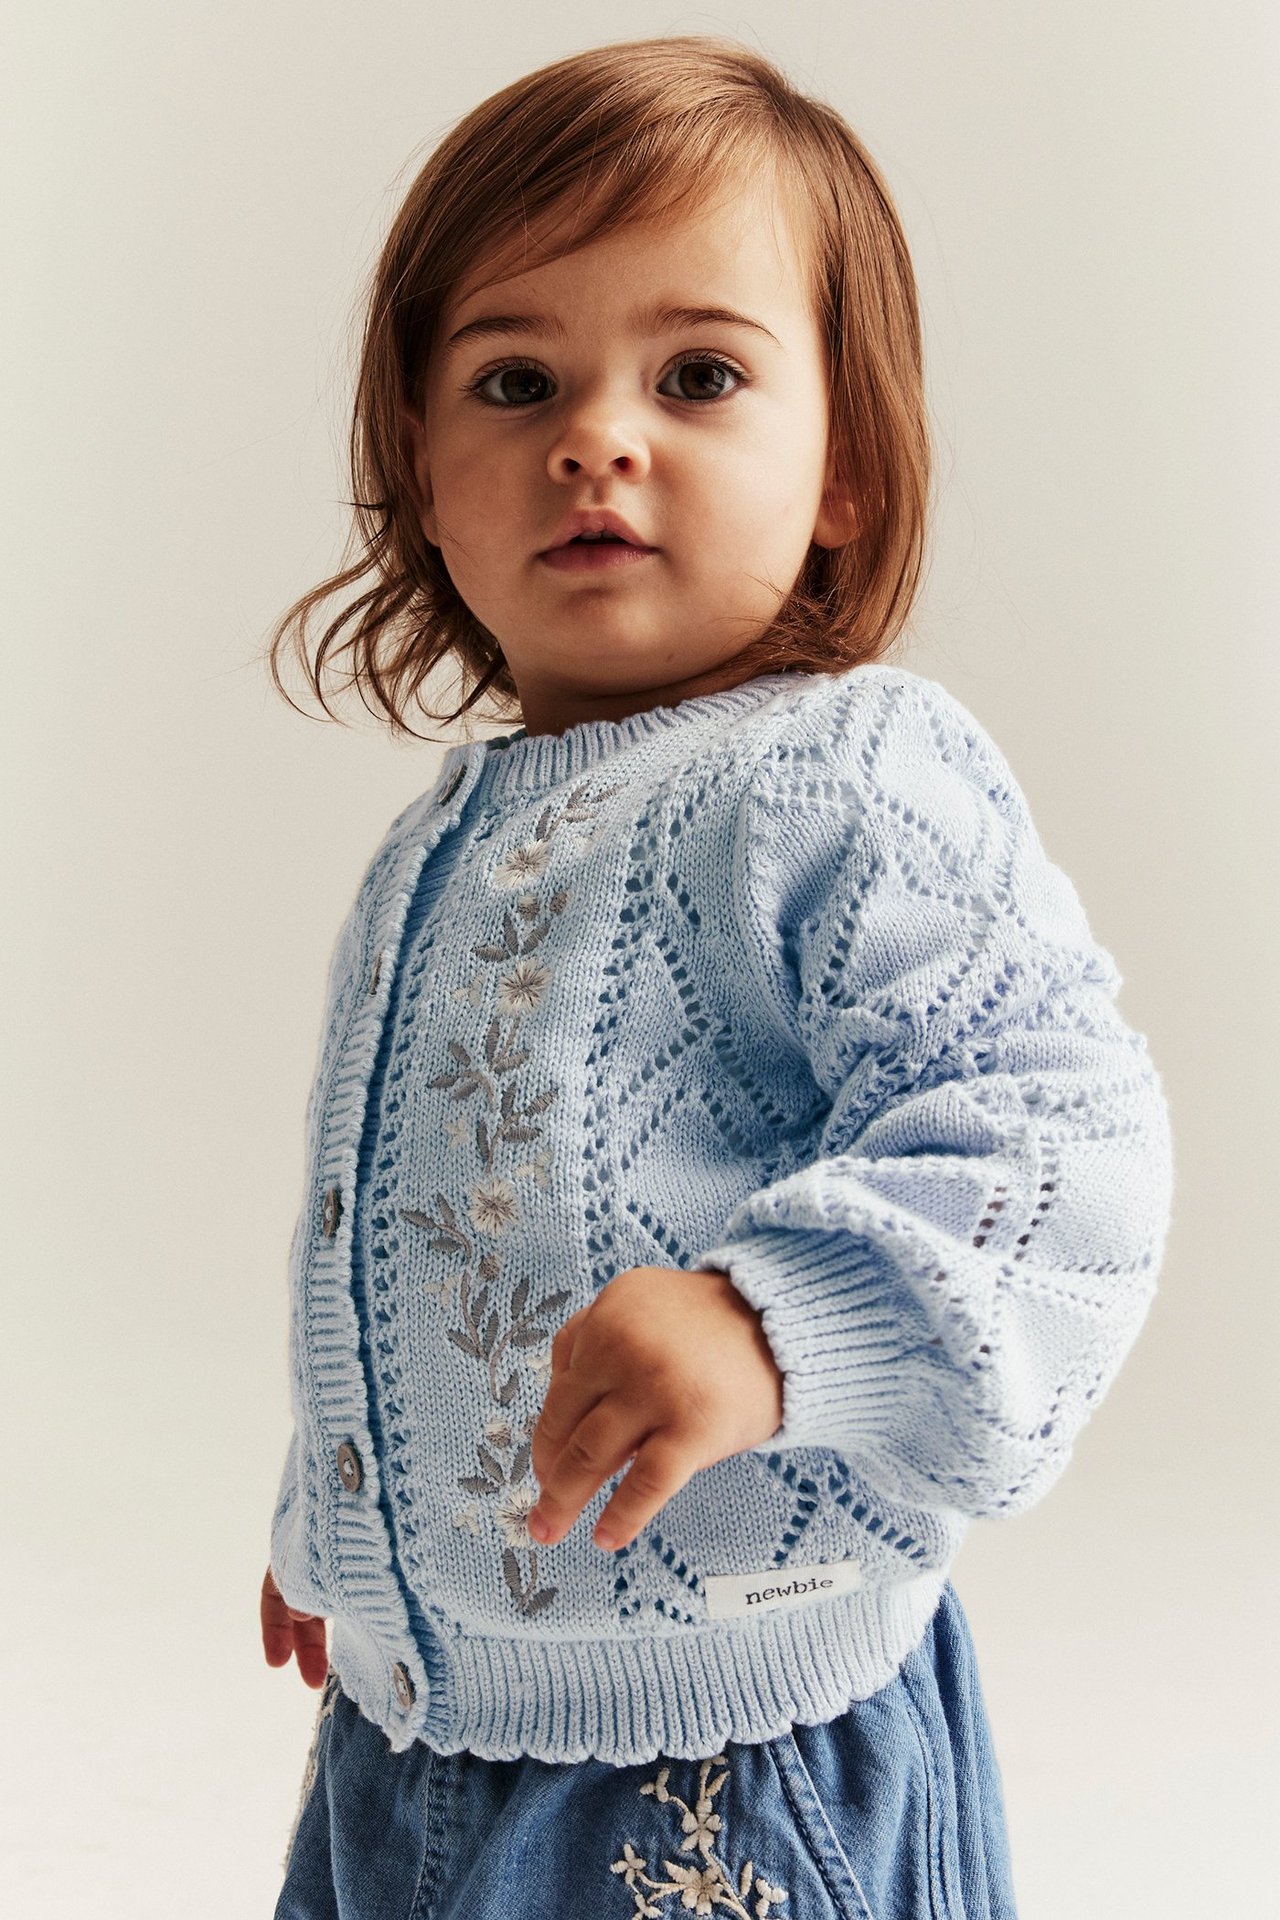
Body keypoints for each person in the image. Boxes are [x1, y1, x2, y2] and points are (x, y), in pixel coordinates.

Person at [258, 34, 1173, 1920]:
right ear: (423, 479)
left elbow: (1058, 1147)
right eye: (517, 379)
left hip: (724, 1753)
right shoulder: (448, 837)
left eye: (699, 375)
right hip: (416, 1732)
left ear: (843, 465)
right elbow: (423, 1238)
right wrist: (346, 1521)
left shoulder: (841, 778)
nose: (599, 434)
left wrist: (775, 1326)